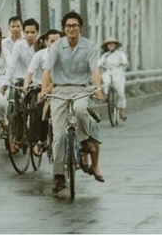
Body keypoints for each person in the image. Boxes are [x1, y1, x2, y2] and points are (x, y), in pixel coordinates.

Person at [40, 11, 105, 191]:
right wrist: (44, 90)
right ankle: (58, 175)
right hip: (60, 89)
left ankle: (84, 140)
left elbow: (95, 70)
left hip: (80, 89)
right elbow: (47, 70)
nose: (71, 29)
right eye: (68, 26)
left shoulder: (89, 46)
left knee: (80, 109)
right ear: (64, 28)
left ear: (80, 28)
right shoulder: (56, 46)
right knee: (59, 135)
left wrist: (98, 88)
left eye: (75, 26)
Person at [23, 29, 62, 156]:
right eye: (52, 41)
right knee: (38, 109)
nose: (55, 44)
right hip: (40, 87)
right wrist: (26, 84)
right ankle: (40, 140)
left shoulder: (66, 55)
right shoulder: (39, 55)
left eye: (58, 41)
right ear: (46, 42)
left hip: (59, 87)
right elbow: (30, 72)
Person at [4, 18, 40, 128]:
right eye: (27, 32)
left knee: (36, 109)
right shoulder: (18, 45)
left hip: (36, 82)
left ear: (37, 33)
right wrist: (6, 82)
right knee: (18, 109)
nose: (30, 35)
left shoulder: (41, 45)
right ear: (23, 33)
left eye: (33, 32)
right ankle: (17, 134)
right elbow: (12, 65)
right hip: (20, 80)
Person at [98, 37, 129, 121]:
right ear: (107, 46)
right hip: (108, 71)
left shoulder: (120, 53)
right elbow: (99, 63)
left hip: (118, 72)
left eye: (113, 43)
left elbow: (125, 61)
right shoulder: (105, 55)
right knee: (106, 81)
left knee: (120, 93)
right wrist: (98, 66)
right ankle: (106, 95)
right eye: (109, 44)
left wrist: (124, 63)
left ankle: (122, 109)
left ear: (115, 45)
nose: (111, 45)